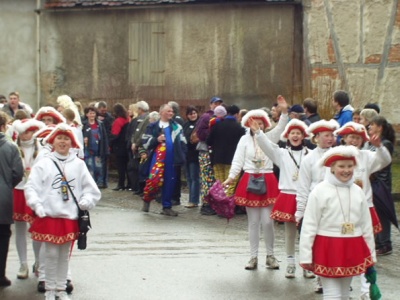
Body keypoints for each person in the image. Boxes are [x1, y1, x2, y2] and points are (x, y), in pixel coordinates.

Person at [25, 123, 101, 300]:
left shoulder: (79, 165)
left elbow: (92, 190)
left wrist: (85, 201)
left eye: (66, 139)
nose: (63, 142)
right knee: (50, 254)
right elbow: (31, 187)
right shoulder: (44, 163)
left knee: (64, 255)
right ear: (53, 141)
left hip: (69, 217)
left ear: (72, 143)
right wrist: (37, 205)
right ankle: (50, 289)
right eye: (59, 138)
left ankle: (61, 289)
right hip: (49, 216)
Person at [299, 145, 376, 300]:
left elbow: (366, 226)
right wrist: (306, 255)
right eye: (341, 166)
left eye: (349, 166)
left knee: (345, 293)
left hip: (352, 245)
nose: (346, 170)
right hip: (328, 246)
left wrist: (371, 255)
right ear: (332, 168)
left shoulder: (358, 191)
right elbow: (309, 225)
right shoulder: (319, 191)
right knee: (332, 294)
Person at [223, 98, 289, 271]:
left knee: (267, 222)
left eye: (260, 123)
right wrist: (231, 177)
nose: (257, 126)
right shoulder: (243, 141)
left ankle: (270, 255)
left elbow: (281, 128)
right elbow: (238, 160)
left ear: (265, 124)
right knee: (253, 222)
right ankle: (253, 257)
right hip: (250, 178)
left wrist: (284, 112)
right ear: (248, 124)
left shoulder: (269, 138)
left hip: (267, 178)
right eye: (254, 123)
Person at [334, 121, 391, 299]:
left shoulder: (367, 156)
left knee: (367, 250)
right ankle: (346, 288)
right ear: (344, 138)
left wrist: (379, 147)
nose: (354, 141)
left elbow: (385, 160)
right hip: (343, 210)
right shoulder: (335, 156)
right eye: (351, 137)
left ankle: (366, 290)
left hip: (366, 208)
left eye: (358, 138)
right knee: (347, 251)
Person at [254, 118, 310, 278]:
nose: (295, 135)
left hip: (306, 195)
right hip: (288, 195)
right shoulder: (282, 153)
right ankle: (291, 263)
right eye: (292, 132)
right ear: (288, 135)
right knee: (290, 232)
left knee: (307, 233)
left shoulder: (310, 154)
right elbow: (267, 146)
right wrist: (258, 132)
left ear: (303, 136)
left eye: (298, 133)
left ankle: (307, 264)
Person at [295, 119, 340, 289]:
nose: (330, 138)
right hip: (316, 206)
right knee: (319, 243)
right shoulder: (309, 159)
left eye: (332, 135)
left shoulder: (338, 155)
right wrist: (300, 211)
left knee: (336, 241)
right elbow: (303, 186)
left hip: (336, 205)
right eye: (326, 135)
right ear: (317, 137)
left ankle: (339, 275)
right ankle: (321, 278)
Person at [11, 119, 45, 280]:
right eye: (23, 132)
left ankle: (38, 262)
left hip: (35, 191)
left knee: (36, 228)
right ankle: (23, 263)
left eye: (28, 132)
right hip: (18, 189)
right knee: (19, 229)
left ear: (33, 132)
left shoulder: (41, 147)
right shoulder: (13, 146)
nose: (25, 135)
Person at [141, 104, 187, 216]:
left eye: (172, 111)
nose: (171, 113)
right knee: (154, 180)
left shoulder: (177, 127)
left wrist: (181, 156)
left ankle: (166, 206)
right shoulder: (152, 126)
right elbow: (145, 142)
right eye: (168, 111)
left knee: (170, 181)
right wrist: (156, 139)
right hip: (156, 158)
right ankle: (147, 199)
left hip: (172, 159)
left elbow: (183, 142)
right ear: (161, 112)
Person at [0, 111, 24, 287]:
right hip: (4, 197)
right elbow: (18, 173)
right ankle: (0, 275)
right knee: (2, 237)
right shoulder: (11, 147)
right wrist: (8, 185)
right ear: (4, 126)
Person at [368, 116, 396, 256]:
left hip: (381, 184)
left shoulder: (386, 143)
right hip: (373, 183)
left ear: (380, 127)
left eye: (372, 124)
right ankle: (378, 242)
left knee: (382, 214)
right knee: (376, 213)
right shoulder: (373, 142)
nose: (369, 127)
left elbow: (384, 162)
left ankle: (385, 244)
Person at [207, 105, 245, 196]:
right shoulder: (239, 128)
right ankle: (227, 206)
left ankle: (219, 205)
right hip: (232, 160)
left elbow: (208, 141)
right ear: (236, 114)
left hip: (217, 159)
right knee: (230, 185)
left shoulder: (217, 125)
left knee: (220, 184)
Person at [195, 96, 224, 215]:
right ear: (211, 105)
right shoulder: (207, 117)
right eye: (215, 103)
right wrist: (213, 132)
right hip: (206, 151)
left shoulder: (222, 118)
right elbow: (200, 133)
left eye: (219, 103)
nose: (217, 105)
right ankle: (206, 204)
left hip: (215, 151)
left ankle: (213, 203)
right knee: (207, 178)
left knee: (213, 179)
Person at [82, 106, 110, 189]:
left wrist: (106, 148)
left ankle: (100, 182)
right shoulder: (84, 125)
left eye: (93, 113)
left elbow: (104, 137)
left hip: (98, 149)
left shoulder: (100, 124)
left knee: (99, 167)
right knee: (90, 166)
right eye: (90, 113)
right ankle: (90, 182)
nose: (92, 115)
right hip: (88, 149)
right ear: (87, 114)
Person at [109, 103, 131, 191]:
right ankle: (129, 184)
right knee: (127, 166)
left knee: (121, 166)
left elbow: (115, 134)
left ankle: (121, 184)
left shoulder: (118, 121)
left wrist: (109, 143)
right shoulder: (127, 119)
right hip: (126, 145)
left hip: (119, 146)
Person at [183, 106, 200, 208]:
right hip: (186, 154)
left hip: (195, 154)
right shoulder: (185, 124)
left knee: (195, 178)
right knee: (189, 178)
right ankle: (191, 199)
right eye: (190, 114)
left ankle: (194, 200)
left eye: (194, 113)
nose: (193, 115)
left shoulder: (199, 124)